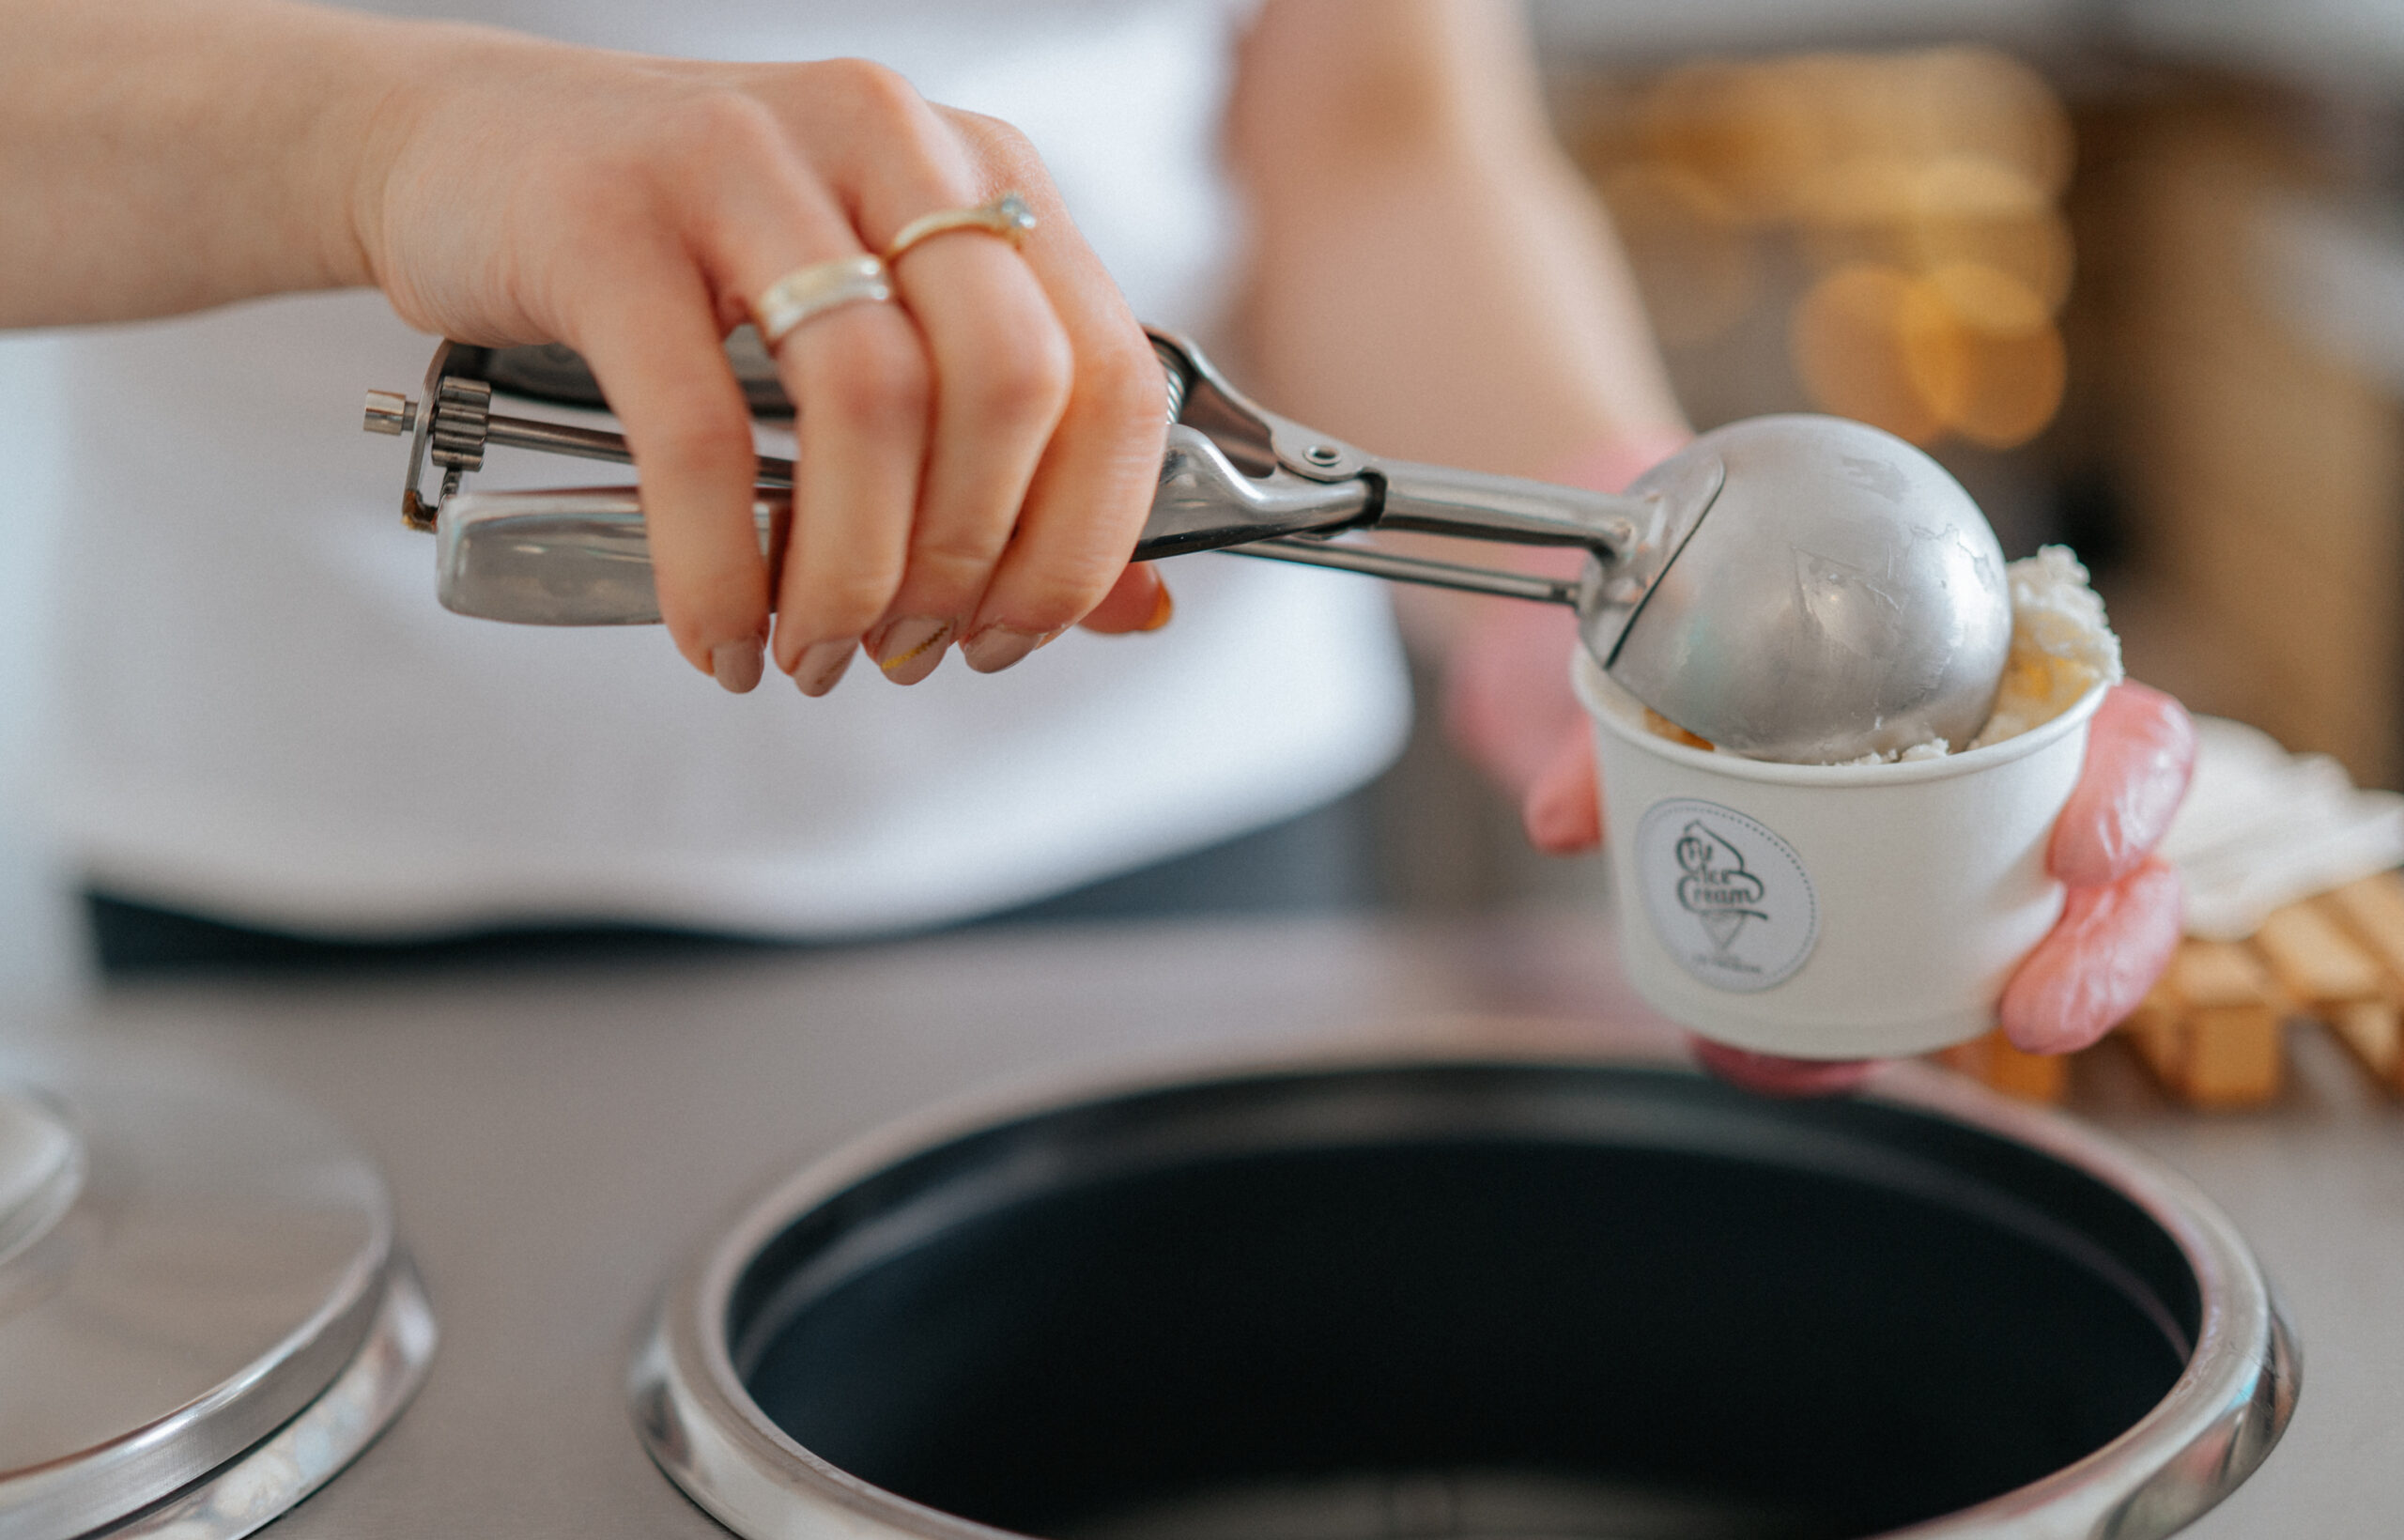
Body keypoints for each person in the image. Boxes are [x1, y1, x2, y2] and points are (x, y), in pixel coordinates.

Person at [1, 0, 2187, 1088]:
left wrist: (1619, 567)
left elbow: (1372, 121)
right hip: (323, 887)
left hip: (1184, 879)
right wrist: (379, 137)